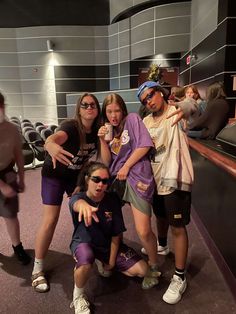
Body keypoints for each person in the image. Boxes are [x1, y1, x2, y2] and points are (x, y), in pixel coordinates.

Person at [31, 93, 101, 293]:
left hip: (74, 178)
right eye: (85, 105)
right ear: (79, 109)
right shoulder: (71, 126)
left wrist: (81, 180)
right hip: (53, 175)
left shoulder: (97, 131)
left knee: (84, 213)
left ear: (97, 109)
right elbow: (55, 138)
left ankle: (87, 254)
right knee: (50, 220)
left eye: (93, 105)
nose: (89, 108)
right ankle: (37, 269)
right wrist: (50, 145)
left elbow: (90, 158)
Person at [69, 162, 159, 314]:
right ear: (87, 179)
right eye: (96, 179)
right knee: (85, 262)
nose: (101, 185)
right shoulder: (79, 197)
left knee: (143, 270)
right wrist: (83, 206)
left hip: (106, 245)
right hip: (85, 243)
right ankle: (77, 296)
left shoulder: (112, 200)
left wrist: (111, 262)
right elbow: (76, 203)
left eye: (105, 181)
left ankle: (102, 261)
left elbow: (116, 234)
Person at [137, 81, 194, 305]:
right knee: (160, 217)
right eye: (144, 100)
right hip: (155, 181)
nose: (149, 101)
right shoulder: (145, 122)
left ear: (161, 93)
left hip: (174, 179)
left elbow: (193, 106)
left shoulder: (176, 112)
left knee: (177, 227)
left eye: (151, 95)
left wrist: (188, 105)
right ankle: (161, 245)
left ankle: (180, 276)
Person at [97, 93, 160, 290]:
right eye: (109, 111)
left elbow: (144, 145)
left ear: (122, 110)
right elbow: (107, 161)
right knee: (107, 219)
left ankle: (154, 266)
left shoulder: (132, 119)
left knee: (143, 230)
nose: (113, 115)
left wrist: (127, 167)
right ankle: (114, 255)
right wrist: (102, 141)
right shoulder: (109, 130)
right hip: (117, 179)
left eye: (116, 110)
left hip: (137, 176)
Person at [0, 92, 31, 265]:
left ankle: (17, 247)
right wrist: (2, 187)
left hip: (7, 171)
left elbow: (18, 154)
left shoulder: (11, 128)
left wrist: (21, 177)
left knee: (11, 214)